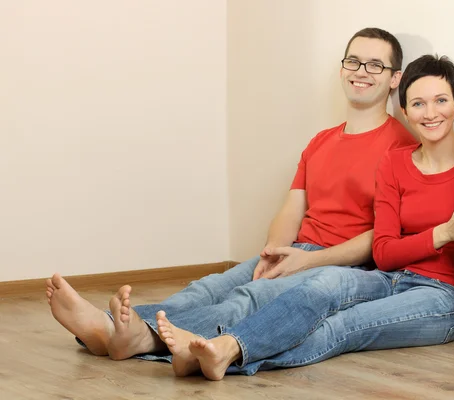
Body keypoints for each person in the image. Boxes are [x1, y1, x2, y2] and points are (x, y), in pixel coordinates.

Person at [153, 55, 454, 380]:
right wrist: (441, 233)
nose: (431, 113)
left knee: (342, 327)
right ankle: (199, 347)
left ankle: (228, 352)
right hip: (388, 276)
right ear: (403, 110)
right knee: (320, 288)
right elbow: (385, 253)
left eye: (441, 101)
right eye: (418, 104)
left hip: (442, 296)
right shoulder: (394, 163)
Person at [45, 27, 416, 366]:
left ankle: (132, 335)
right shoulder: (321, 140)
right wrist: (273, 253)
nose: (361, 71)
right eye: (353, 61)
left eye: (375, 65)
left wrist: (303, 264)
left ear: (394, 78)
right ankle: (115, 330)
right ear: (342, 69)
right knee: (209, 287)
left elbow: (383, 236)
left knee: (249, 299)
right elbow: (293, 209)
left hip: (339, 265)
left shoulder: (401, 146)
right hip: (297, 251)